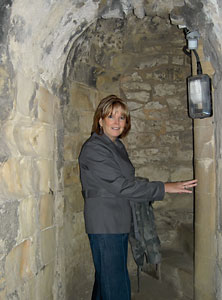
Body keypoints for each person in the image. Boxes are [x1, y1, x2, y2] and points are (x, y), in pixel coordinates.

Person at [78, 94, 197, 300]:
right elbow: (122, 186)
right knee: (116, 285)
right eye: (111, 116)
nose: (117, 122)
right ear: (100, 120)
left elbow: (126, 182)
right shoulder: (94, 148)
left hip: (118, 220)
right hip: (106, 223)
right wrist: (164, 187)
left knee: (107, 279)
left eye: (122, 118)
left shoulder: (115, 145)